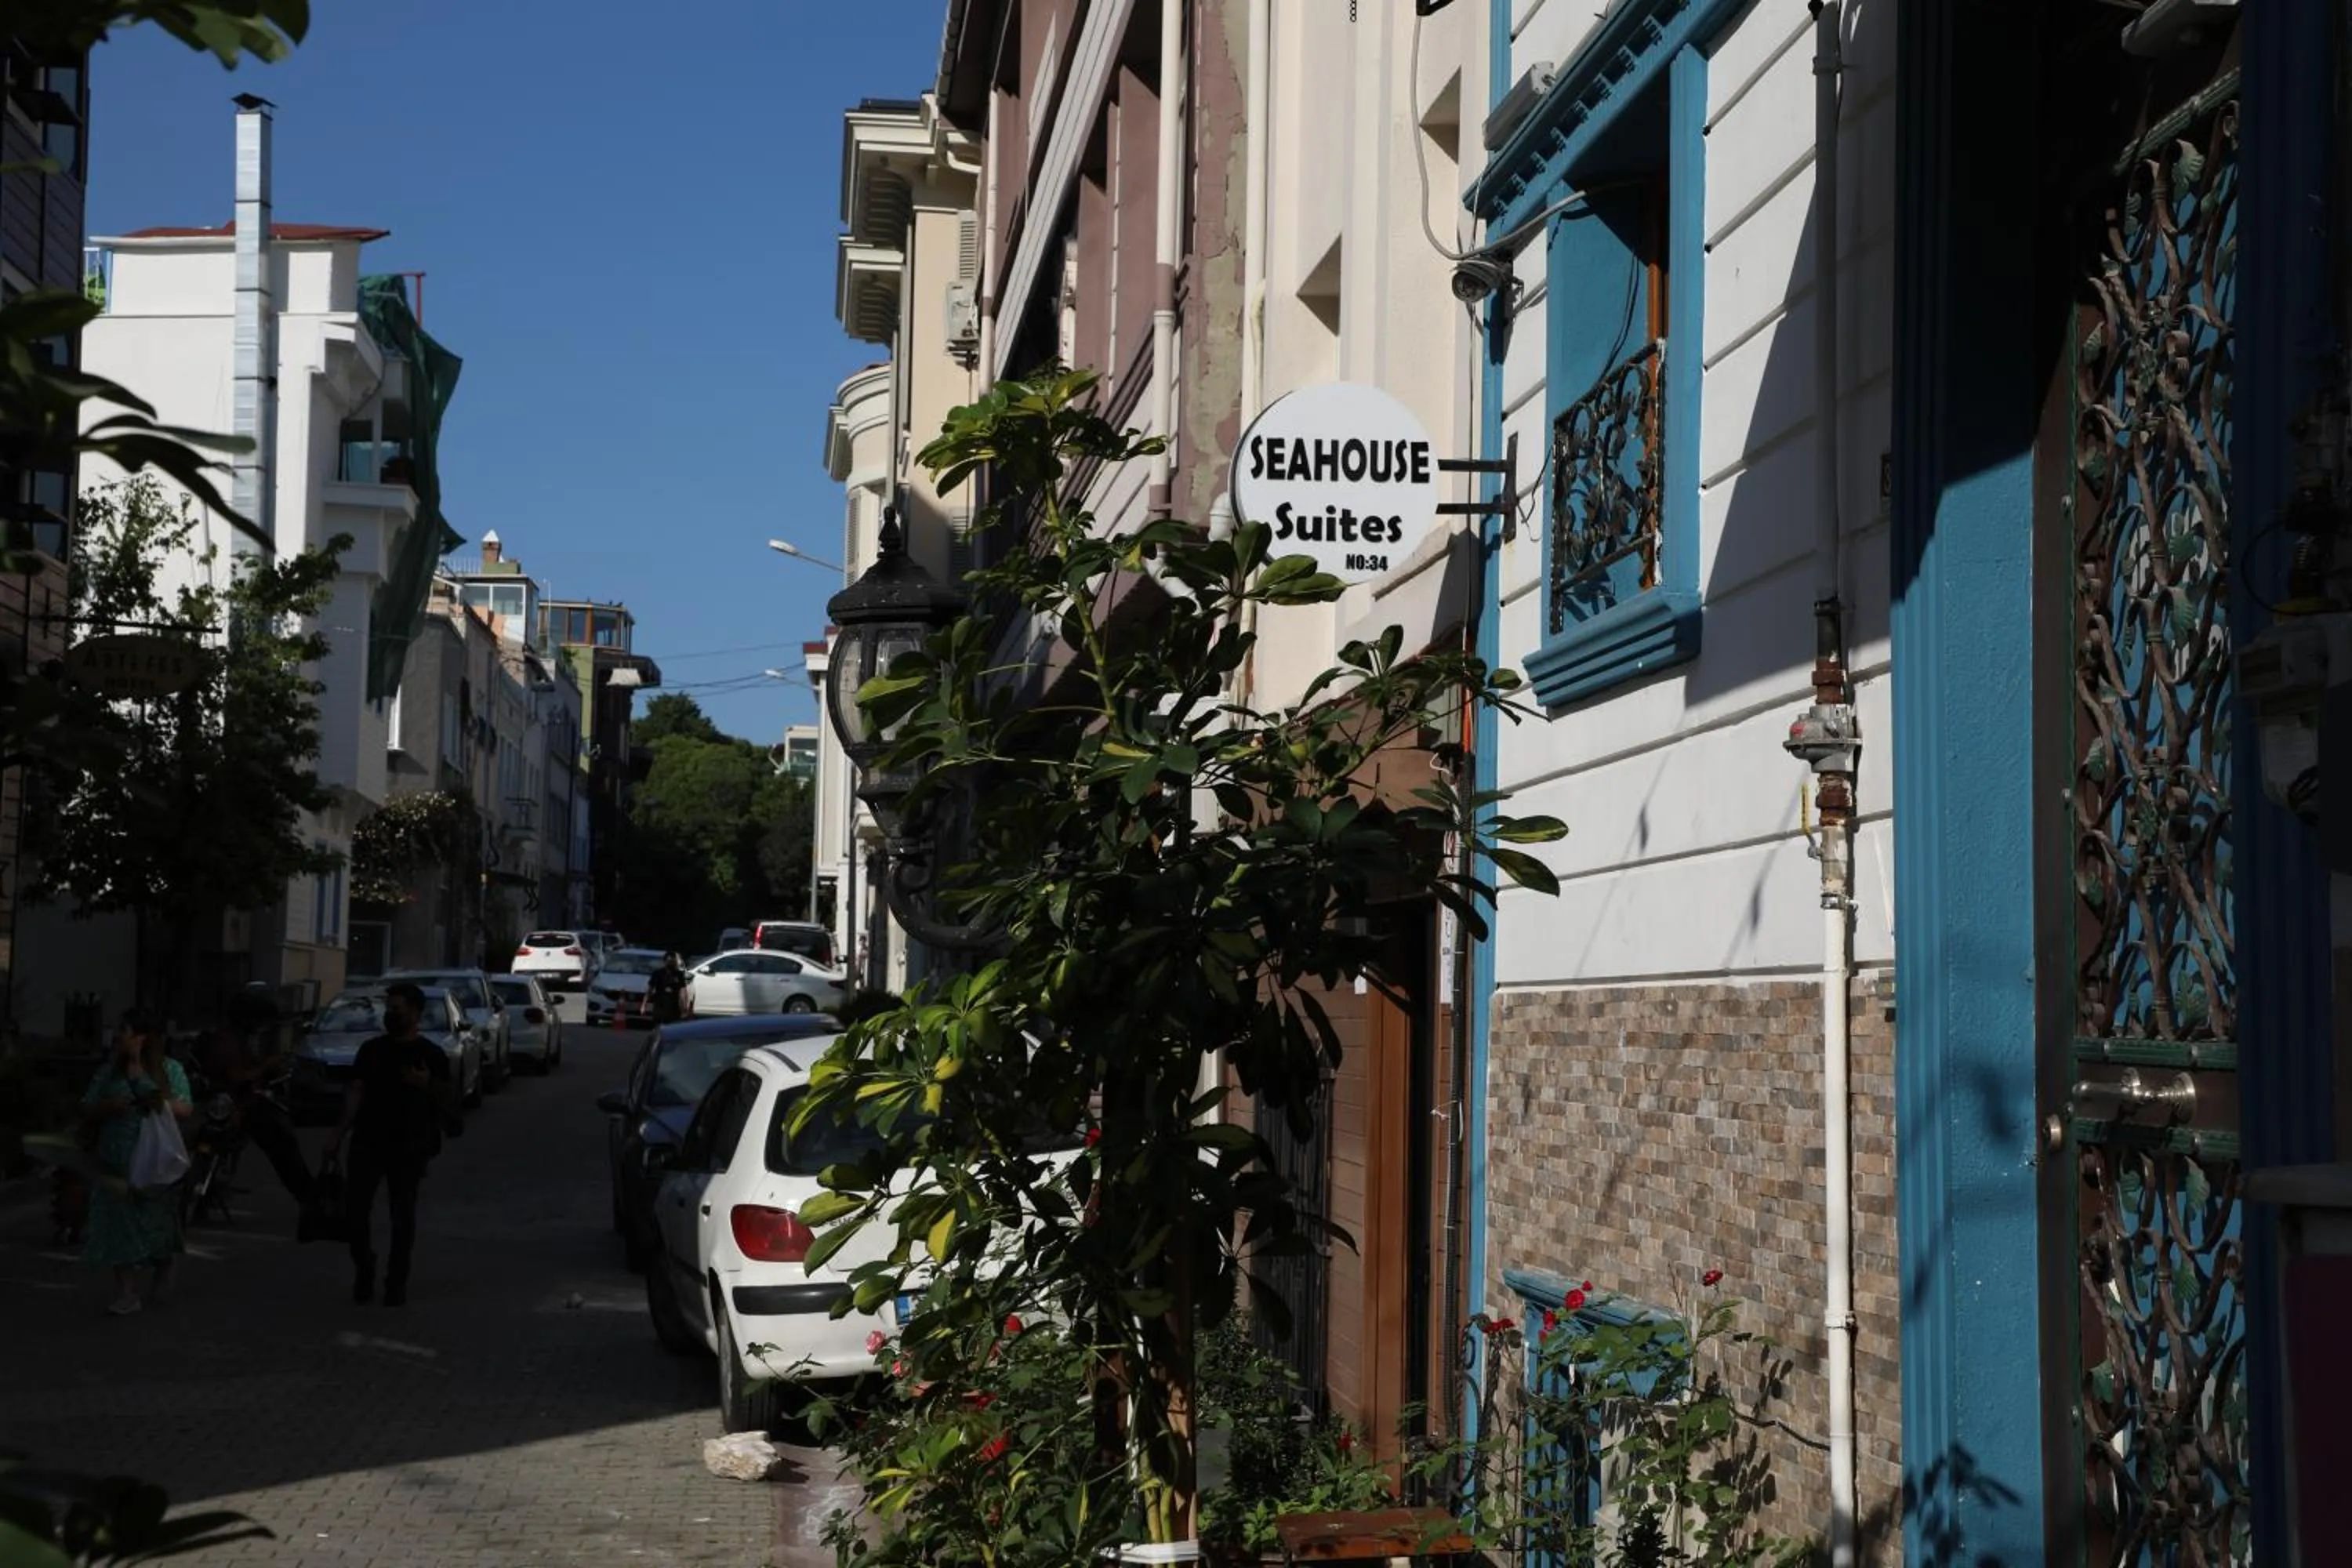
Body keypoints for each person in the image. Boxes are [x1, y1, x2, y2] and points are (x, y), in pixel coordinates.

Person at [323, 982, 452, 1306]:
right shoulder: (372, 1050)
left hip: (409, 1145)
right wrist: (337, 1135)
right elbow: (356, 1091)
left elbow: (450, 1105)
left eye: (397, 1009)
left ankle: (396, 1282)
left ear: (415, 1013)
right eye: (389, 1009)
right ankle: (364, 1265)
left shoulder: (431, 1055)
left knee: (402, 1216)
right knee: (355, 1213)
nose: (391, 1015)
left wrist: (426, 1085)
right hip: (368, 1141)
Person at [79, 1007, 193, 1316]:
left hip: (154, 1165)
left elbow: (185, 1109)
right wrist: (108, 1106)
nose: (119, 1035)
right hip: (115, 1164)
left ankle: (164, 1263)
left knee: (155, 1223)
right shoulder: (108, 1072)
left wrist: (152, 1096)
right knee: (116, 1225)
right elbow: (87, 1108)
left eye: (126, 1030)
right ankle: (127, 1291)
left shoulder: (170, 1070)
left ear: (142, 1037)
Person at [198, 985, 314, 1209]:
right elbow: (238, 1077)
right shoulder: (226, 1042)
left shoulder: (237, 1040)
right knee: (280, 1138)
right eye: (259, 1020)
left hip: (232, 1106)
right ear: (249, 1018)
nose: (262, 1027)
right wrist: (266, 1068)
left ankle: (307, 1194)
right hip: (230, 1108)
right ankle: (307, 1196)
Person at [648, 952, 688, 1025]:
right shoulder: (658, 973)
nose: (671, 964)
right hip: (660, 1006)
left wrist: (684, 1007)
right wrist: (644, 1004)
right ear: (665, 961)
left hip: (674, 1007)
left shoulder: (679, 975)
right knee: (659, 1026)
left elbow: (683, 991)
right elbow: (650, 989)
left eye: (673, 962)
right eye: (669, 961)